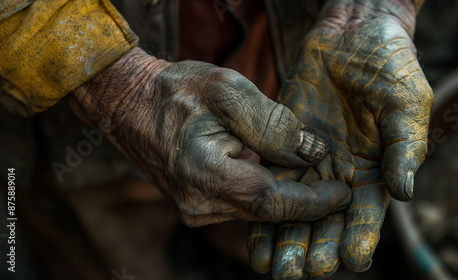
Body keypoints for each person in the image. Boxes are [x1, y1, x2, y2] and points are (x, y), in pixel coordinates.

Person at [0, 0, 433, 279]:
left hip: (298, 44)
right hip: (80, 104)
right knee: (109, 238)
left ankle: (229, 243)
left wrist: (371, 10)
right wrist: (116, 85)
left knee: (264, 195)